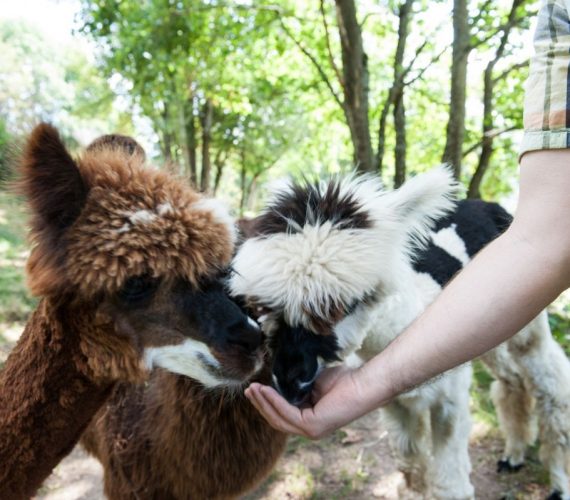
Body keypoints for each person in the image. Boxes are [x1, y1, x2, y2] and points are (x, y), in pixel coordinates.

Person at [244, 0, 570, 439]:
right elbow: (545, 240)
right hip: (505, 262)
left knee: (533, 361)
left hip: (485, 235)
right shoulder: (560, 22)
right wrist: (367, 384)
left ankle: (558, 469)